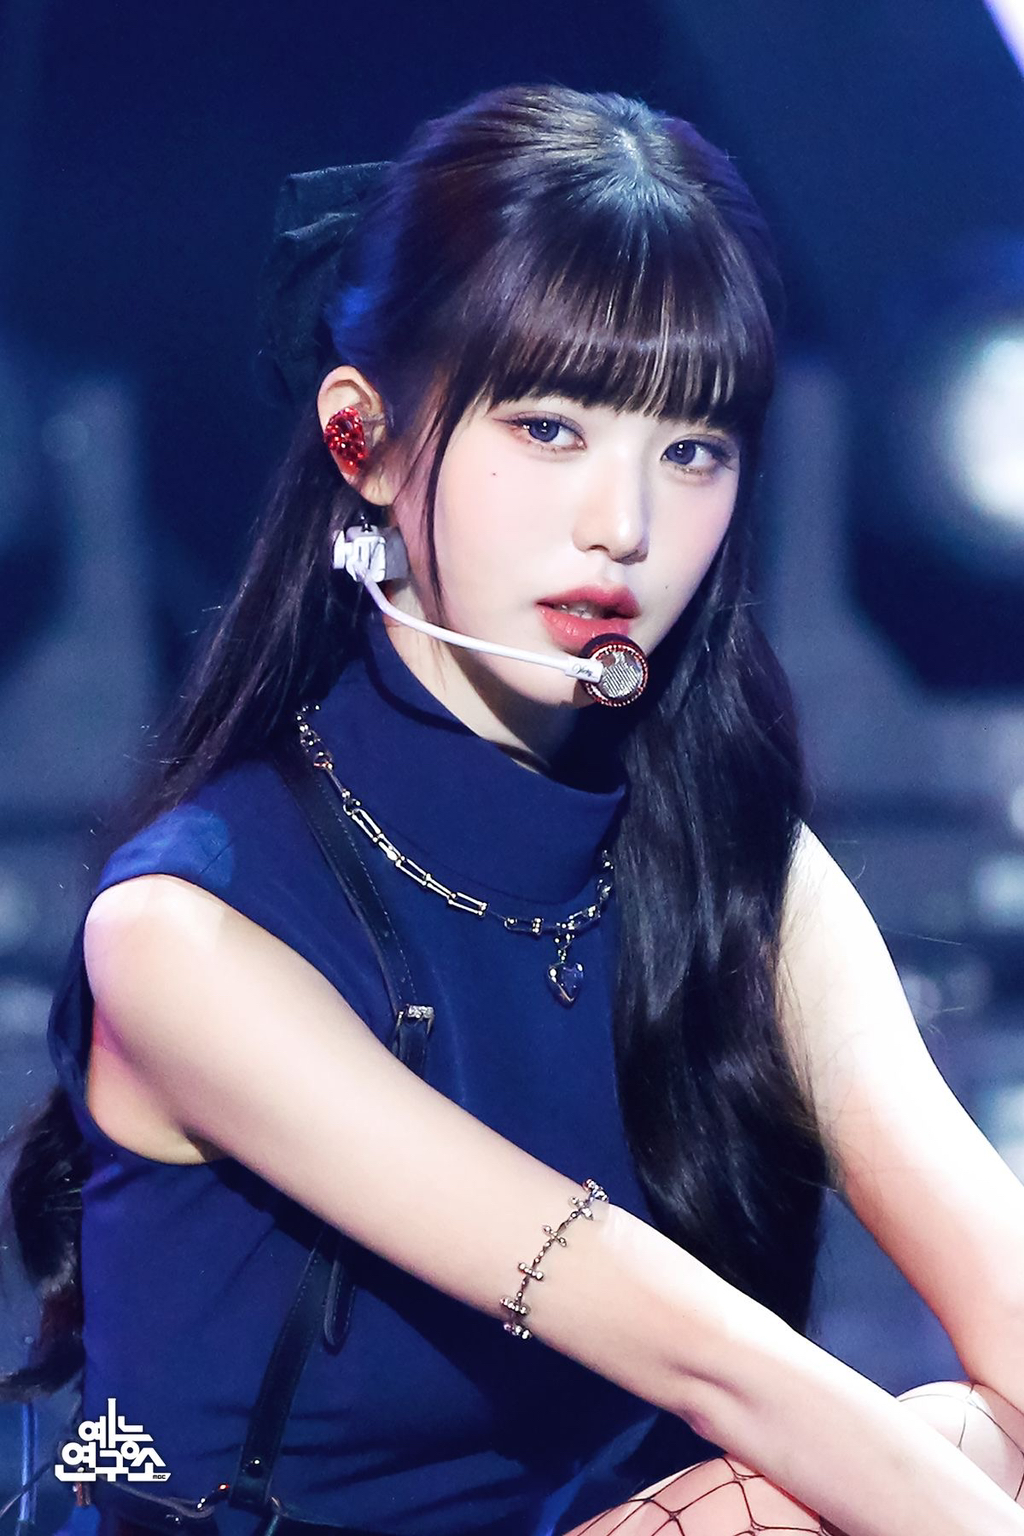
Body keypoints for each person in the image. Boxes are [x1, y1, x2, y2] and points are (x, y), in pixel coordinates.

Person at [2, 82, 1024, 1536]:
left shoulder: (739, 873)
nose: (625, 526)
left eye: (691, 449)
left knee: (972, 1437)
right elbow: (713, 1363)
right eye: (550, 429)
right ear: (363, 442)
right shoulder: (190, 931)